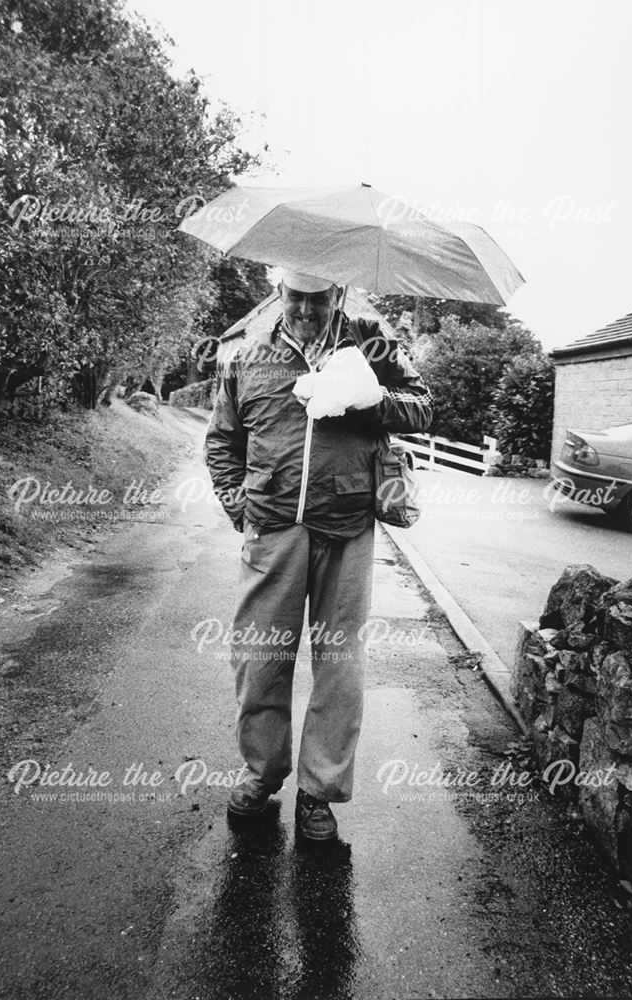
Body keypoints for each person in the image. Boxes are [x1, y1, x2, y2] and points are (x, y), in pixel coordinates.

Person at [205, 271, 433, 840]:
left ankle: (318, 793)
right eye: (296, 296)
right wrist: (242, 508)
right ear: (280, 294)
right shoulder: (245, 353)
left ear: (337, 295)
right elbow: (222, 440)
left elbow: (423, 409)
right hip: (273, 527)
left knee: (340, 667)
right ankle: (263, 773)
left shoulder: (371, 344)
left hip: (347, 524)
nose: (307, 308)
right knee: (260, 659)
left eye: (319, 297)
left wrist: (367, 398)